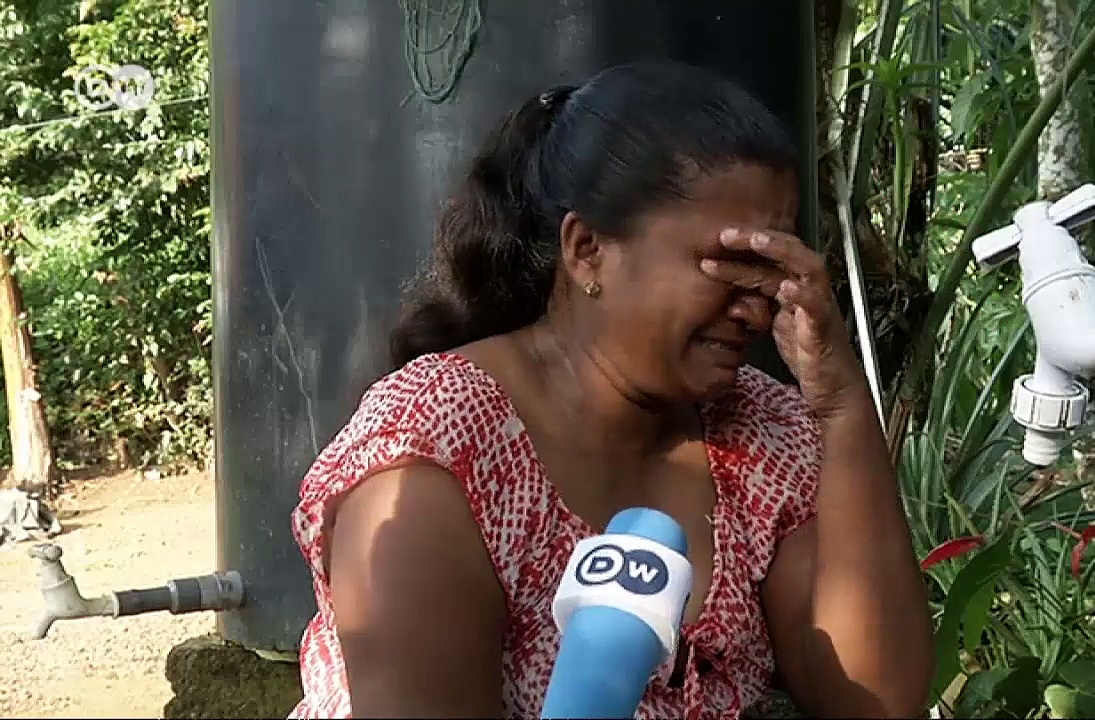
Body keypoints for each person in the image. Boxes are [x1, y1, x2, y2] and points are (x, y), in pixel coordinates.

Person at [288, 60, 934, 720]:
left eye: (768, 271)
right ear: (588, 248)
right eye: (726, 265)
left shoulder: (762, 433)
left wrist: (842, 408)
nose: (754, 308)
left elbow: (875, 703)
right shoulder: (436, 446)